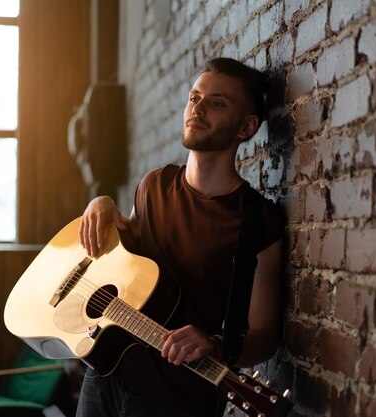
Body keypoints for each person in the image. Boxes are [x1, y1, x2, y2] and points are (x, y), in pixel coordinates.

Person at [76, 57, 285, 417]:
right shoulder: (153, 185)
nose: (197, 109)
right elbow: (130, 265)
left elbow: (265, 334)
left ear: (246, 126)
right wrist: (101, 204)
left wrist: (216, 345)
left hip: (177, 399)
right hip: (105, 375)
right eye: (194, 97)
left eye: (217, 103)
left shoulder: (258, 221)